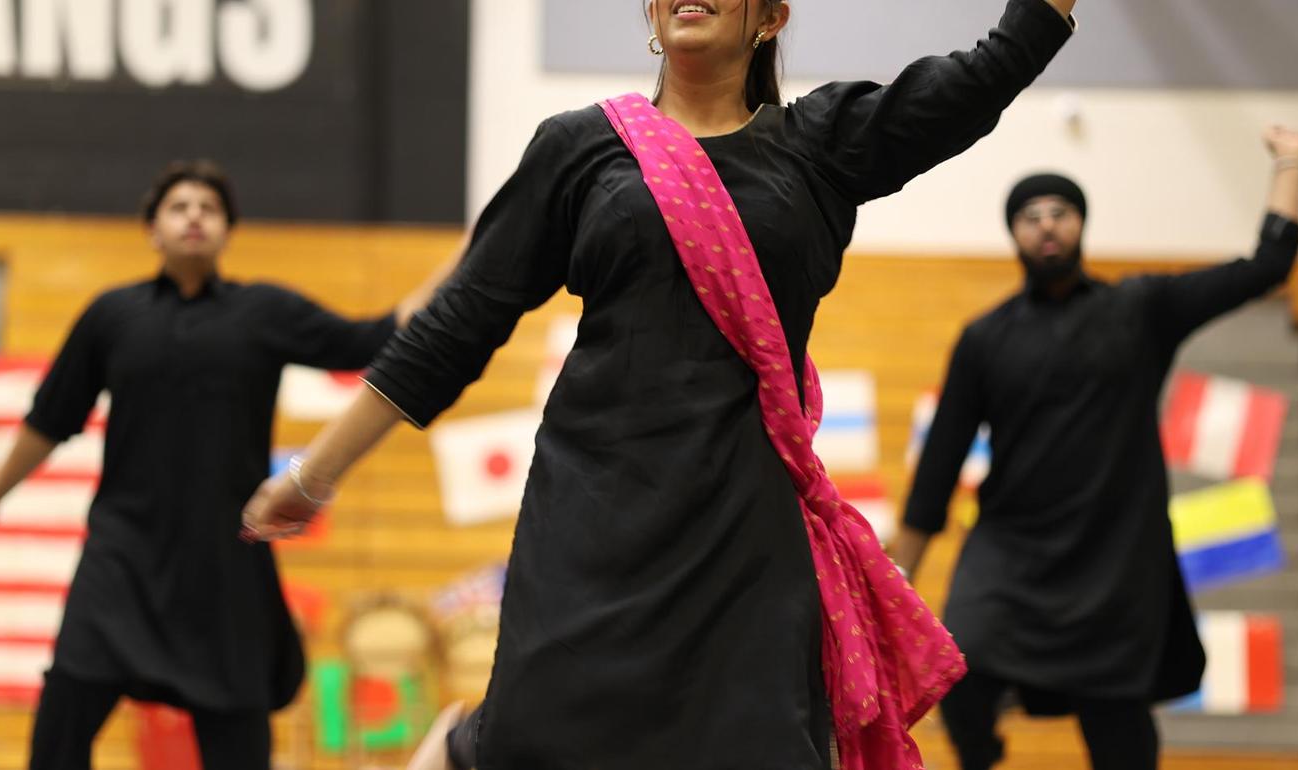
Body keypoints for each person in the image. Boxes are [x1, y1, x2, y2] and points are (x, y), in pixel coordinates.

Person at [245, 1, 1078, 767]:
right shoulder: (579, 148)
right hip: (594, 510)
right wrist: (314, 474)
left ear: (771, 16)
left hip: (743, 520)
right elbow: (456, 326)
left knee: (755, 744)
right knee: (553, 740)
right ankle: (478, 748)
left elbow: (986, 73)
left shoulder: (820, 144)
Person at [0, 160, 454, 770]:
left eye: (209, 209)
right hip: (121, 559)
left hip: (225, 565)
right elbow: (50, 419)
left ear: (227, 232)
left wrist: (471, 252)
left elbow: (375, 339)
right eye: (179, 207)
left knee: (239, 749)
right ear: (153, 229)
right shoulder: (111, 316)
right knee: (60, 730)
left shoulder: (262, 311)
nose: (194, 217)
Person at [892, 126, 1298, 770]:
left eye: (1059, 212)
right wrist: (897, 584)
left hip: (1114, 567)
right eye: (1030, 218)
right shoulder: (984, 338)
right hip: (1012, 559)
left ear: (1081, 224)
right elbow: (939, 468)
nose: (1046, 227)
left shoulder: (1140, 309)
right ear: (1015, 235)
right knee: (961, 676)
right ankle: (983, 756)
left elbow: (1266, 266)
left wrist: (1289, 160)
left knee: (1119, 735)